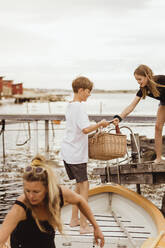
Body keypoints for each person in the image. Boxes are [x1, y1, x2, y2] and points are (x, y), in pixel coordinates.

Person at [0, 155, 105, 248]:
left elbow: (80, 201)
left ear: (47, 188)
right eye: (27, 191)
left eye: (36, 192)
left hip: (47, 243)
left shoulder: (59, 193)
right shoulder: (22, 206)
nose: (30, 196)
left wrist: (96, 227)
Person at [61, 76, 110, 234]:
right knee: (84, 187)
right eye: (88, 92)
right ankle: (83, 225)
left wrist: (94, 128)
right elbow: (85, 129)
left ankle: (74, 220)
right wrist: (100, 124)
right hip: (76, 154)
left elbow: (79, 130)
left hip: (68, 151)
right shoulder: (79, 107)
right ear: (80, 90)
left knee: (78, 186)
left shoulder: (70, 106)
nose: (89, 95)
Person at [113, 64, 165, 164]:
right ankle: (159, 158)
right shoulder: (143, 89)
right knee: (158, 127)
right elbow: (131, 106)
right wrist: (119, 118)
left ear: (147, 76)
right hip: (164, 103)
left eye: (140, 79)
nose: (138, 82)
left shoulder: (160, 80)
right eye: (136, 80)